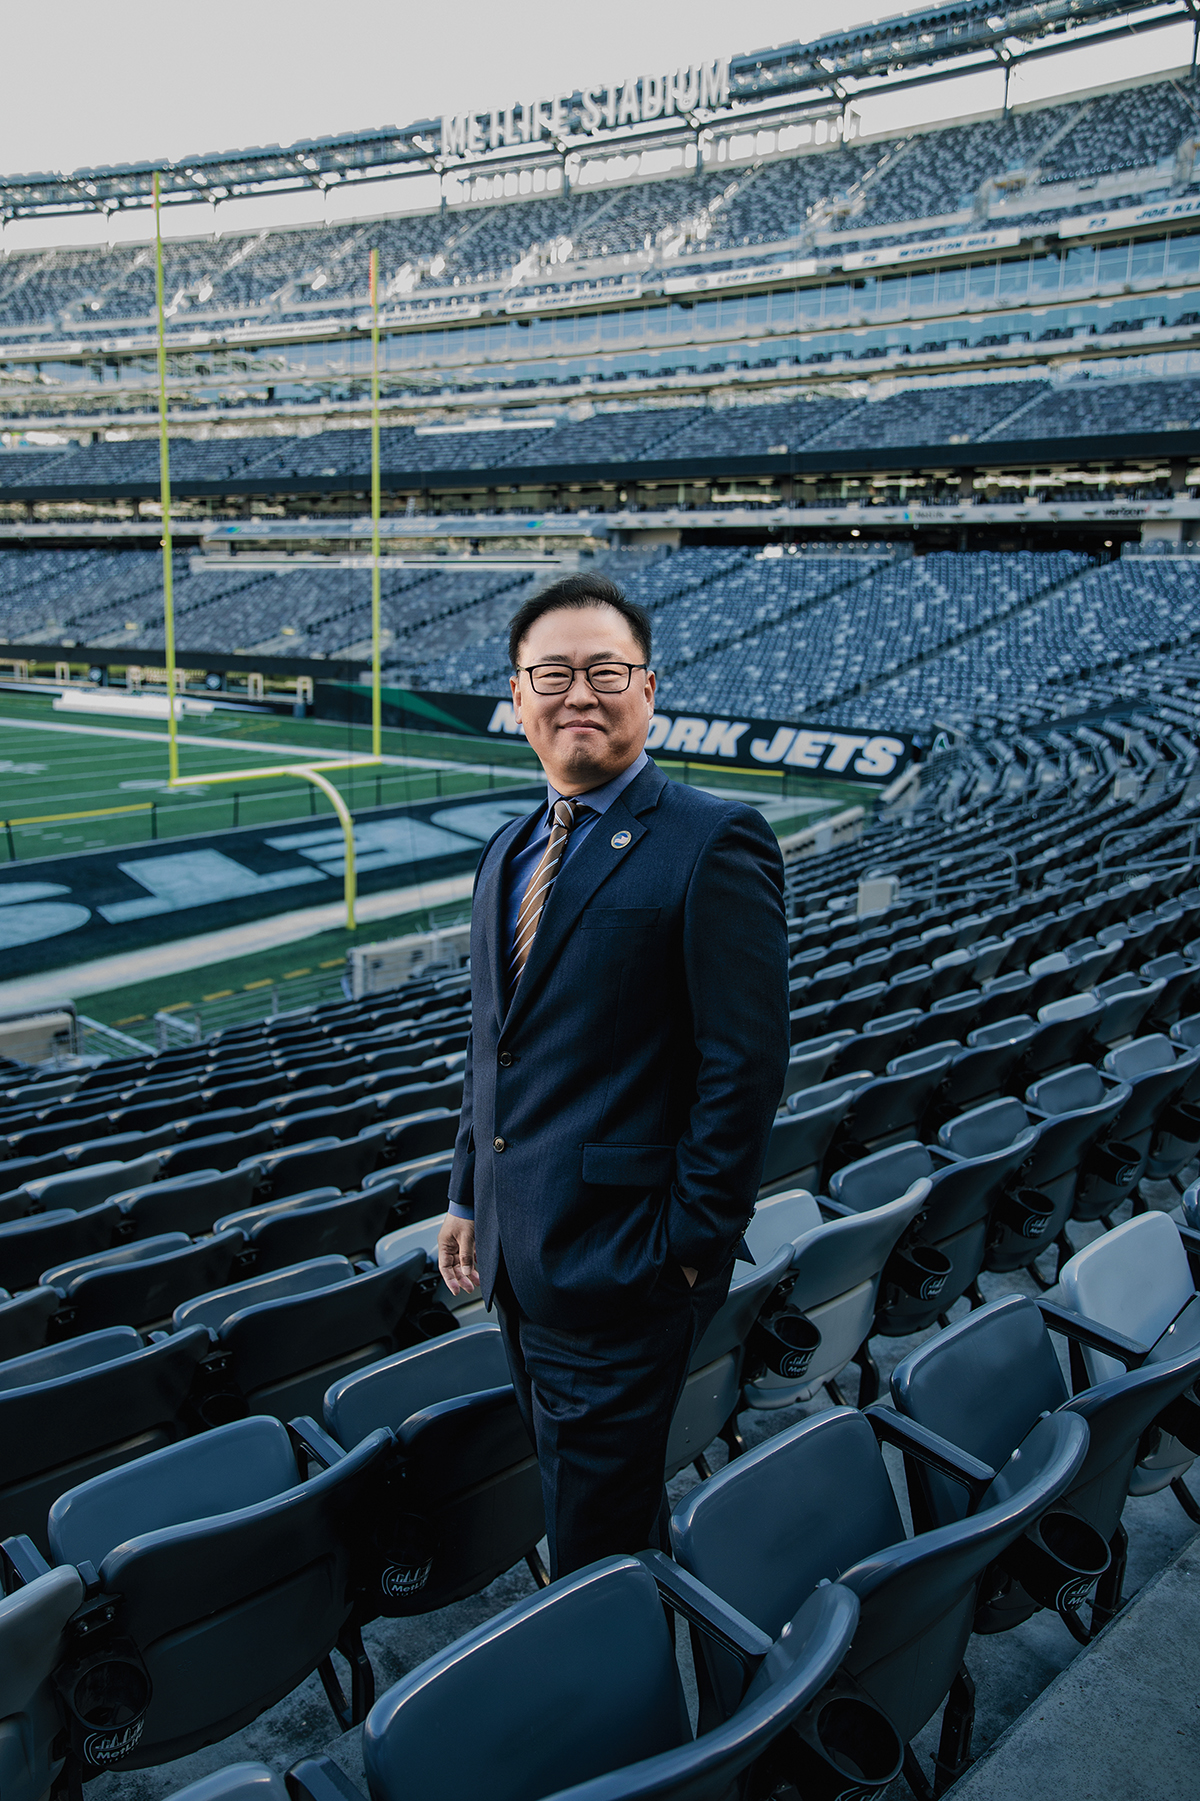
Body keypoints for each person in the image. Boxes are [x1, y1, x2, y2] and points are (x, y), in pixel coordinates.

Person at [437, 571, 789, 1578]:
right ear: (517, 696)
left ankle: (619, 1723)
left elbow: (746, 1064)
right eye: (551, 672)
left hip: (623, 1269)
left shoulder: (713, 840)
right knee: (598, 1507)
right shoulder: (508, 849)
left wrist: (684, 1249)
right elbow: (491, 1042)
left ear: (648, 688)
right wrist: (470, 1190)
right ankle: (627, 1664)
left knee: (591, 1541)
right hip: (517, 1253)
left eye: (604, 670)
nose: (576, 693)